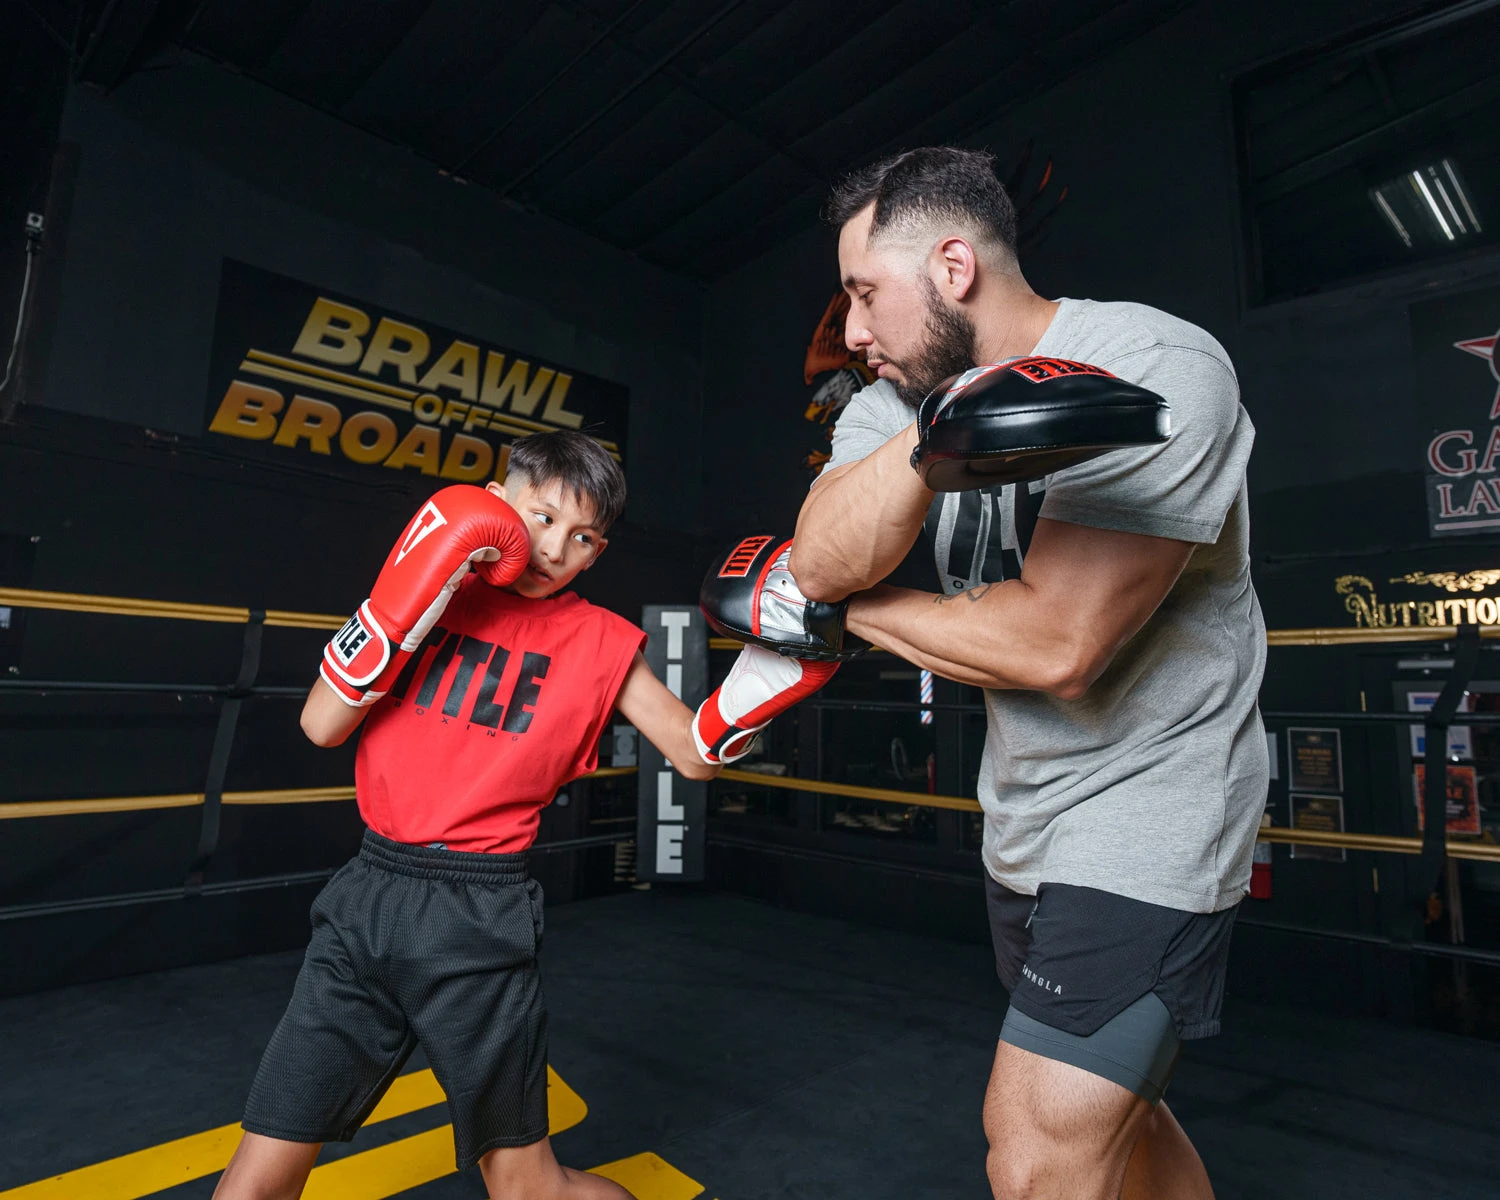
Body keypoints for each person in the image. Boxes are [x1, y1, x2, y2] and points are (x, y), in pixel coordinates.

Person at [789, 147, 1266, 1200]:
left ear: (953, 267)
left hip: (1154, 811)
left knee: (1037, 1153)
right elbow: (816, 559)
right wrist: (935, 438)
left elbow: (1060, 646)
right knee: (1126, 1124)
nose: (853, 332)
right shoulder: (896, 402)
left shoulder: (1152, 364)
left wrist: (856, 612)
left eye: (865, 293)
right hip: (1022, 820)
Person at [215, 431, 826, 1200]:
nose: (555, 550)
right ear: (498, 504)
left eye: (582, 538)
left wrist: (763, 682)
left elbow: (694, 751)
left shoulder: (603, 643)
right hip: (367, 898)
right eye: (542, 518)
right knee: (257, 1179)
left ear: (597, 553)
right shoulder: (432, 593)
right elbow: (320, 725)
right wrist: (398, 611)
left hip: (479, 913)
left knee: (531, 1191)